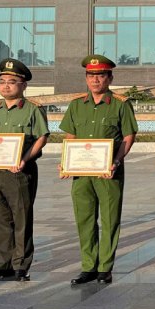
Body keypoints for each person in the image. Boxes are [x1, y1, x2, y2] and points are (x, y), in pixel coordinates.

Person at [58, 54, 138, 285]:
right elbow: (70, 136)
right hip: (82, 174)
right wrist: (66, 161)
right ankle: (88, 266)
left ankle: (105, 267)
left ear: (109, 78)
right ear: (86, 78)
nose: (95, 80)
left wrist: (117, 160)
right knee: (84, 219)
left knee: (110, 219)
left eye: (100, 75)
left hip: (108, 172)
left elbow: (128, 136)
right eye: (91, 76)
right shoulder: (76, 105)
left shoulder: (121, 104)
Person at [0, 59, 49, 282]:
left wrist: (24, 159)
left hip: (20, 172)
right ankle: (1, 264)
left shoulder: (32, 110)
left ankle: (20, 265)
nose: (6, 86)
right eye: (2, 82)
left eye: (12, 82)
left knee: (21, 217)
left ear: (23, 85)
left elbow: (42, 138)